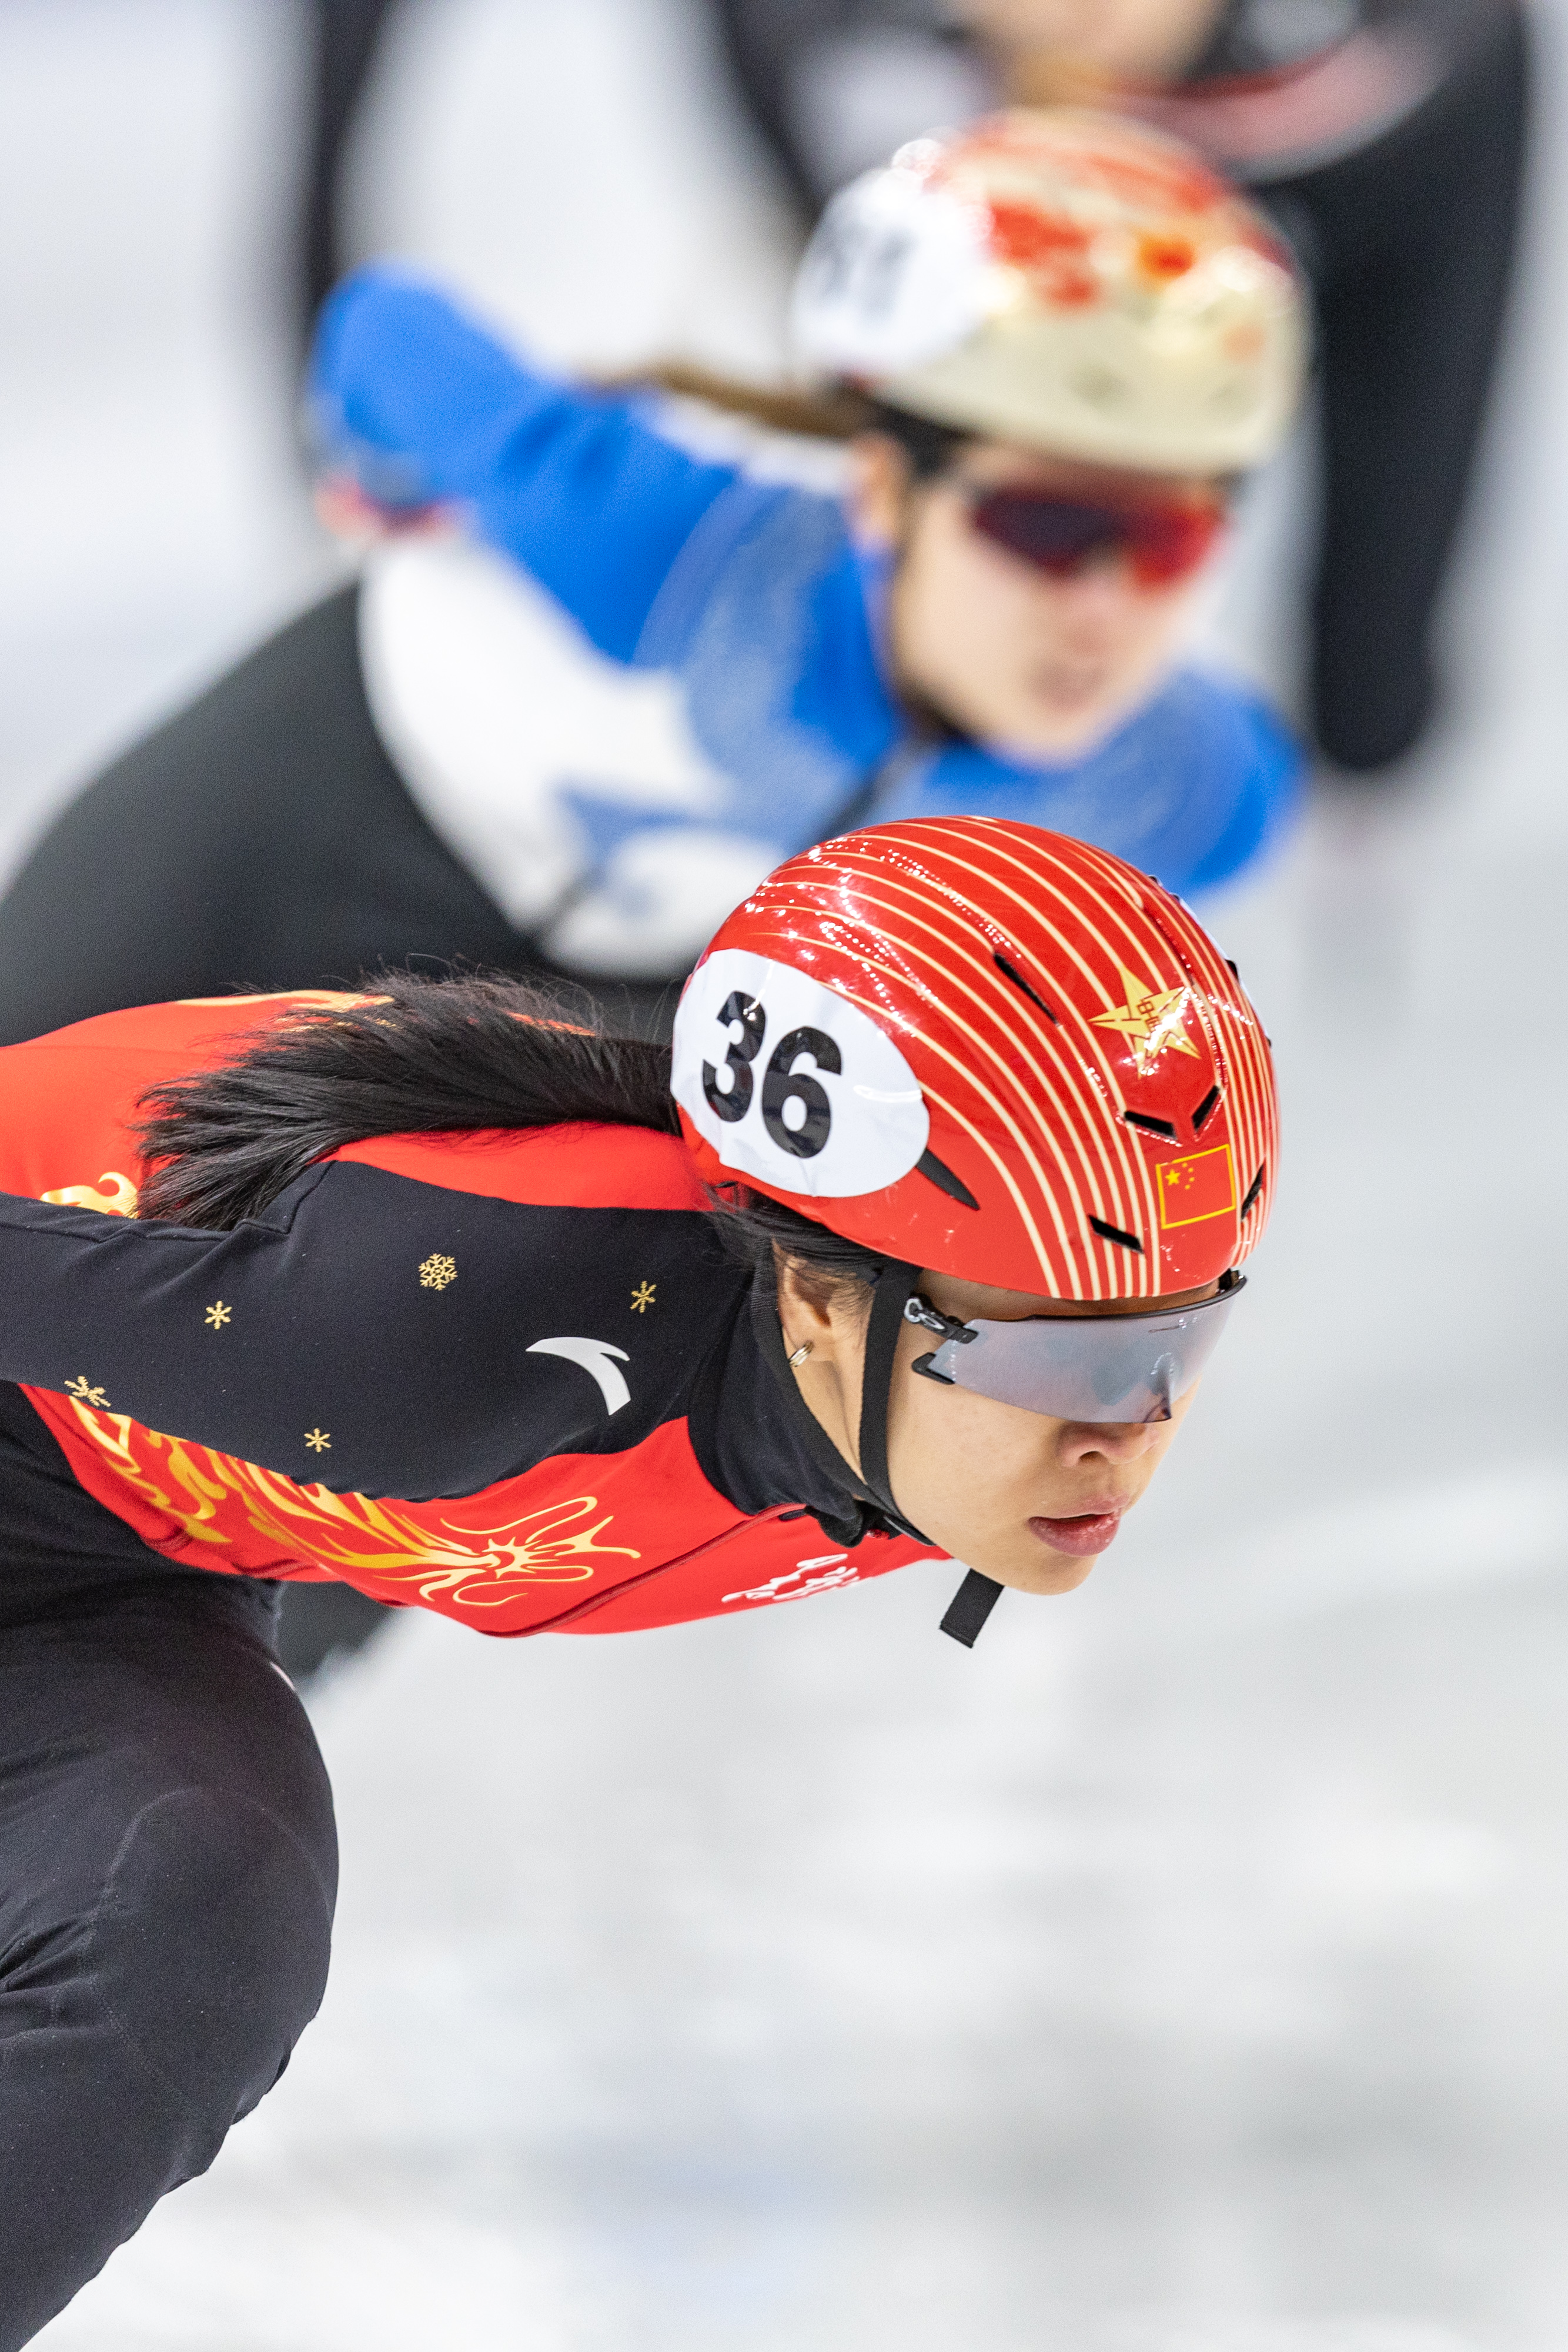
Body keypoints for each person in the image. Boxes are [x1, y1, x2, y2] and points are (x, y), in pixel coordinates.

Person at [0, 109, 1301, 1679]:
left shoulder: (1179, 779)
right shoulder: (675, 549)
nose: (1099, 608)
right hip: (303, 819)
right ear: (882, 487)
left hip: (563, 979)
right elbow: (385, 337)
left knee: (353, 1491)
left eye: (1166, 543)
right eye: (1045, 525)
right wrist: (412, 469)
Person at [0, 817, 1278, 2343]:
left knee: (201, 1909)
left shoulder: (926, 1418)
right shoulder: (449, 1313)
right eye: (1062, 1354)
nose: (1127, 1432)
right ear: (814, 1298)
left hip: (109, 1567)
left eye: (1176, 1340)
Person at [714, 0, 1530, 772]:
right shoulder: (819, 30)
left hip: (1377, 140)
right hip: (955, 111)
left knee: (1371, 664)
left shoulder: (1413, 40)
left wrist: (1370, 705)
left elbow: (1421, 357)